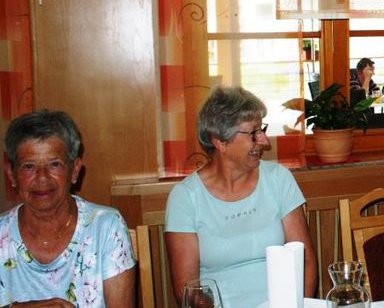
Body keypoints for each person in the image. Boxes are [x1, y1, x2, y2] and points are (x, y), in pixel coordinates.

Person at [165, 86, 316, 308]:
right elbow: (187, 289)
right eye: (253, 133)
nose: (264, 141)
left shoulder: (278, 179)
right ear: (220, 142)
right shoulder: (185, 198)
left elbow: (305, 260)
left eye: (262, 130)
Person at [0, 110, 136, 307]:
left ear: (75, 171)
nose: (42, 177)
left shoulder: (106, 227)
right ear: (11, 174)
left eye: (54, 164)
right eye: (29, 166)